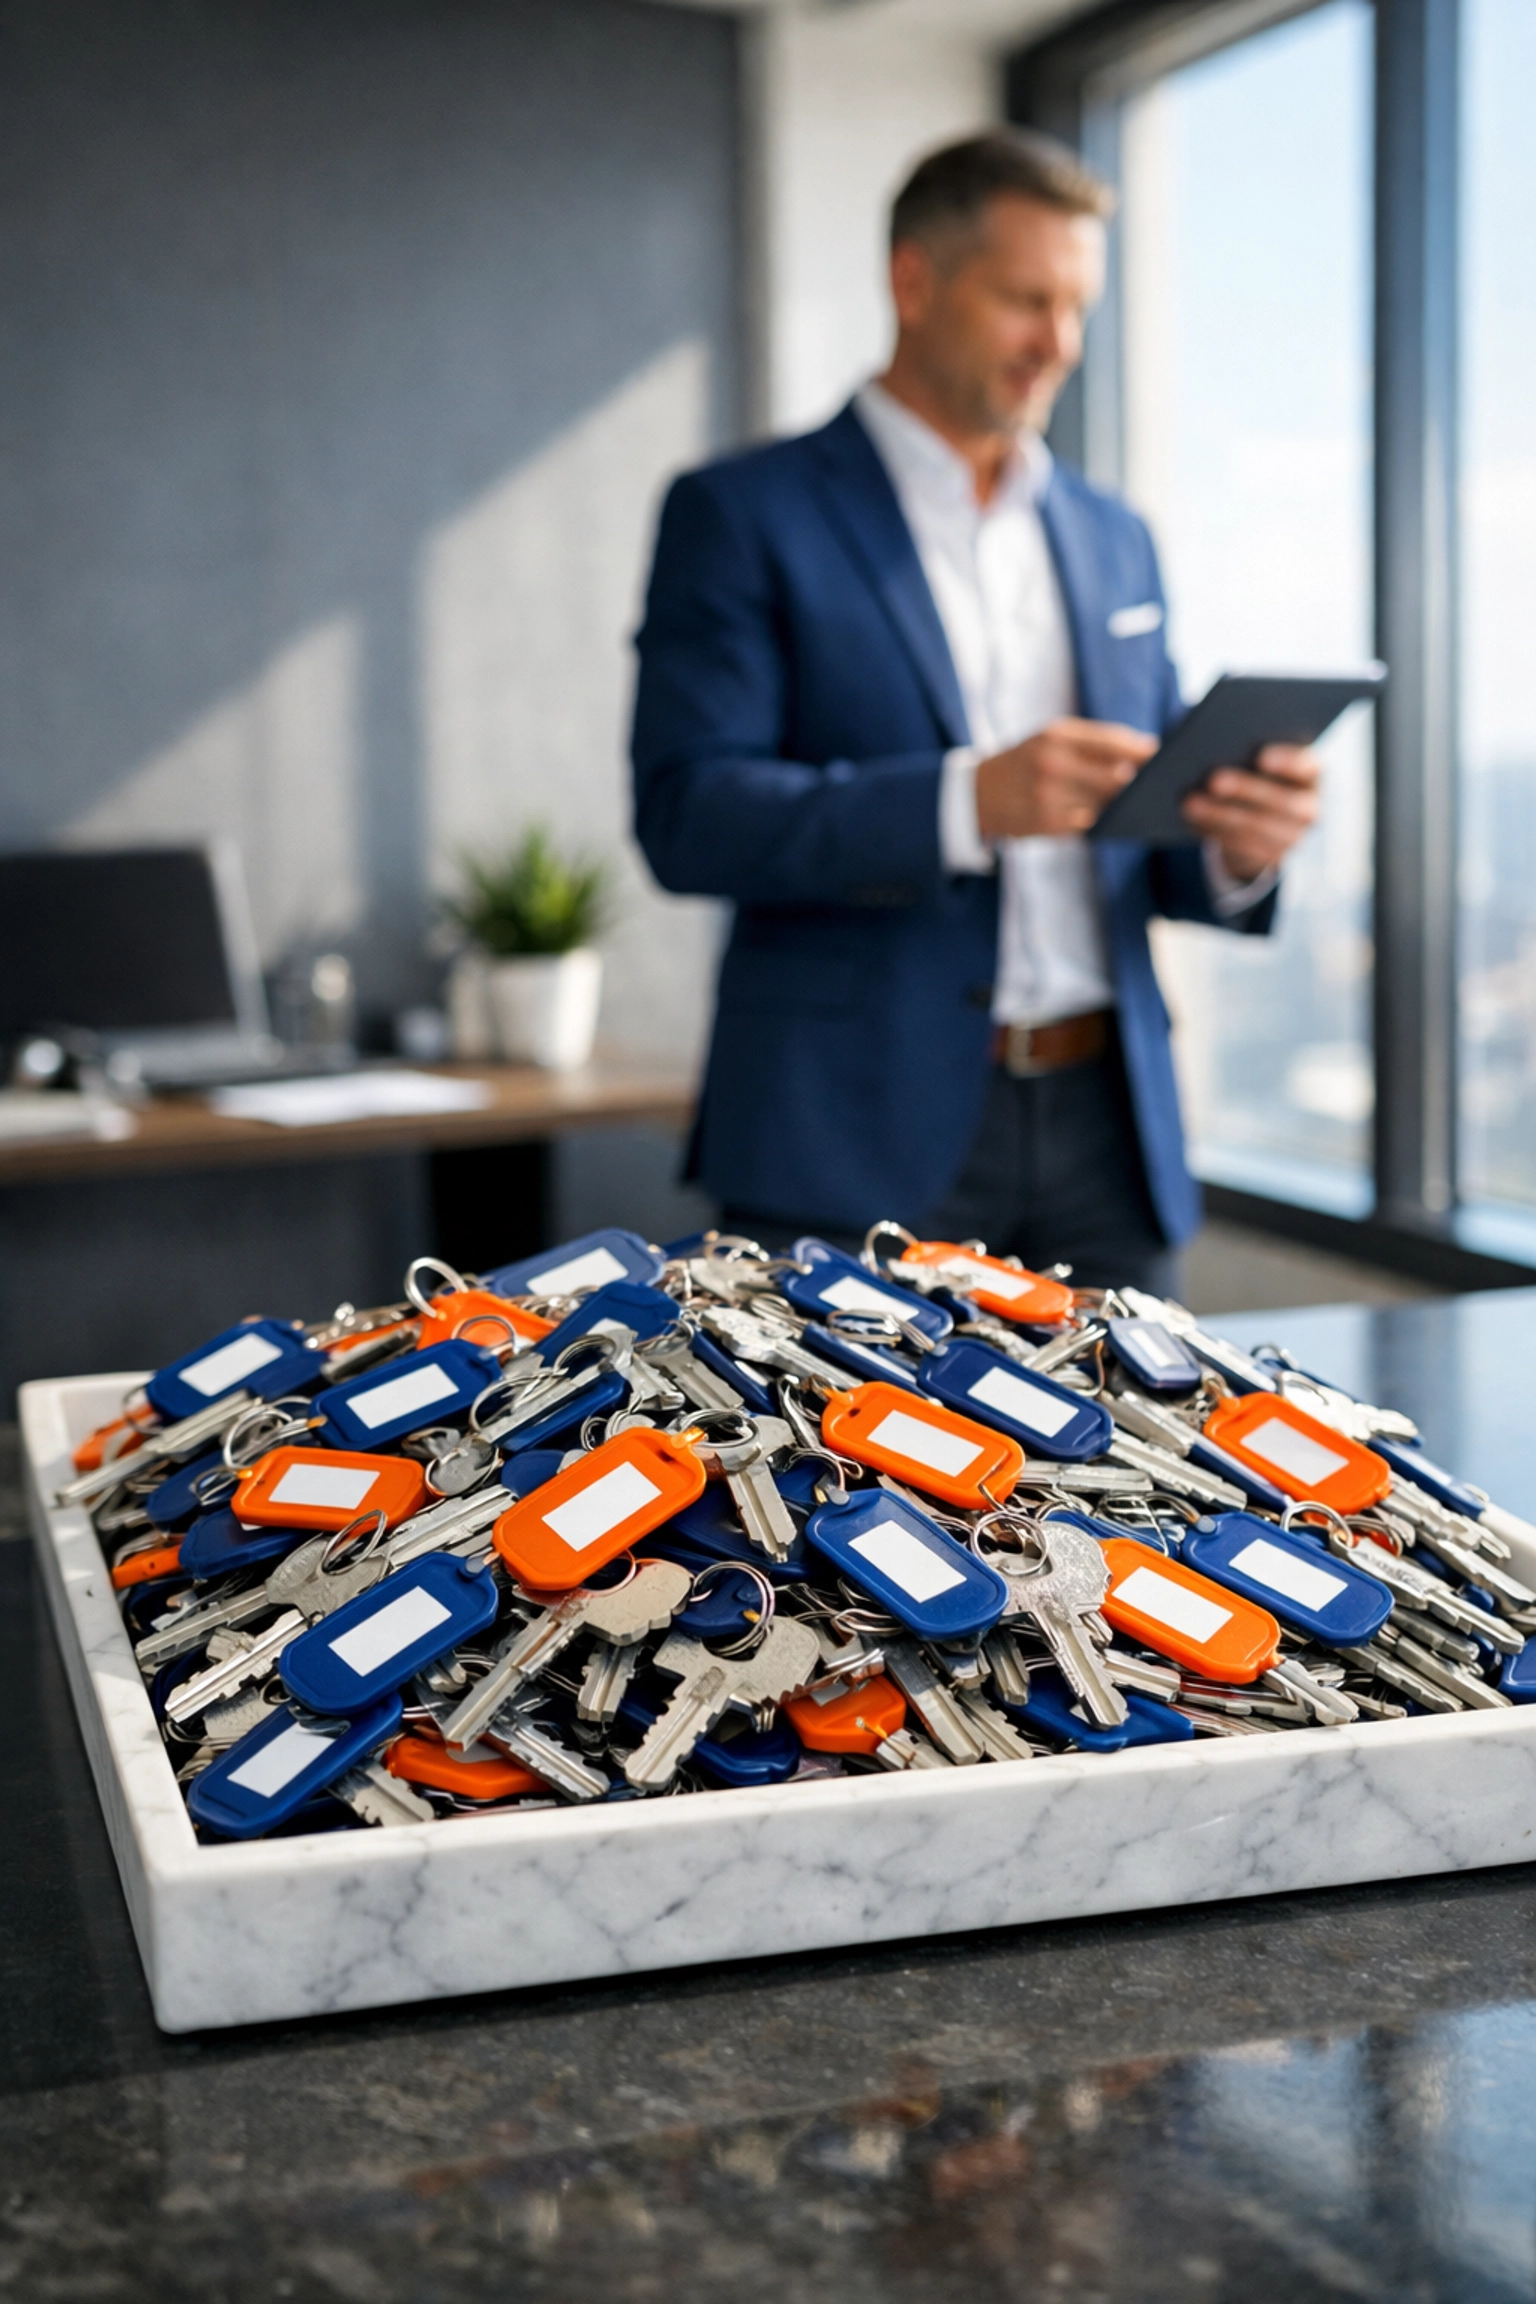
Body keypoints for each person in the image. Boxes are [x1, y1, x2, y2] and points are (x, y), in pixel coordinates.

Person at [630, 129, 1321, 1290]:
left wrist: (1232, 850)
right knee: (840, 1475)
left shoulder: (1113, 534)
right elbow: (690, 812)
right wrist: (965, 800)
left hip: (1111, 1135)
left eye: (1078, 307)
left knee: (1134, 1473)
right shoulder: (740, 513)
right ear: (915, 281)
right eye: (1024, 300)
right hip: (845, 1148)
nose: (1059, 343)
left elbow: (1141, 828)